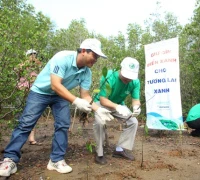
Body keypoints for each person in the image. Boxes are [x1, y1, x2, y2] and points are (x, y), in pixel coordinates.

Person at [0, 38, 114, 177]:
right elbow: (55, 85)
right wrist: (75, 101)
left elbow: (85, 95)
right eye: (94, 55)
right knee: (26, 124)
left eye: (97, 57)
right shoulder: (63, 58)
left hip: (60, 96)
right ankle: (10, 159)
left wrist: (98, 109)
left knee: (63, 124)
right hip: (40, 92)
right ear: (84, 51)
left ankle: (56, 160)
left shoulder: (86, 73)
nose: (96, 60)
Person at [93, 57, 141, 165]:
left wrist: (136, 107)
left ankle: (120, 149)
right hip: (101, 104)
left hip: (119, 105)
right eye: (126, 76)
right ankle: (99, 153)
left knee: (133, 122)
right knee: (100, 123)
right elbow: (103, 100)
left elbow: (135, 99)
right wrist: (117, 107)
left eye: (130, 77)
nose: (128, 79)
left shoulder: (135, 82)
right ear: (121, 69)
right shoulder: (109, 77)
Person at [16, 49, 42, 145]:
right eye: (31, 54)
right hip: (22, 91)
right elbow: (17, 73)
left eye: (35, 54)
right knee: (19, 114)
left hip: (34, 91)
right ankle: (17, 138)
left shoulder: (38, 66)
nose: (33, 56)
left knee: (32, 114)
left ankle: (31, 138)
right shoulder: (22, 65)